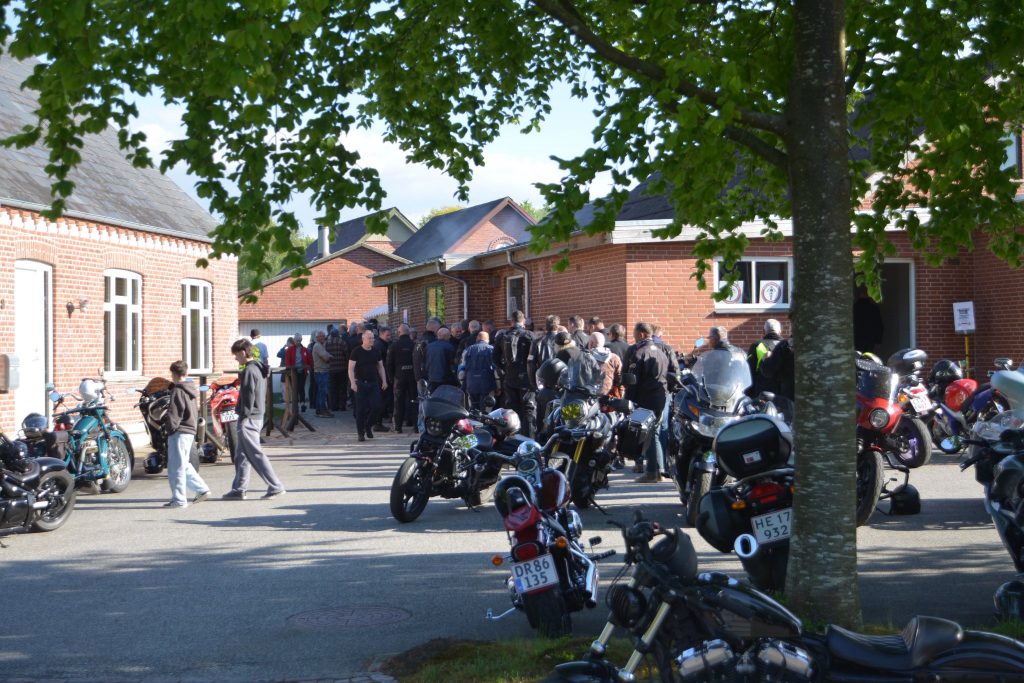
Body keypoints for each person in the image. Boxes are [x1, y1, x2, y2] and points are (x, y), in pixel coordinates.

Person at [224, 339, 286, 500]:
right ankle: (239, 488)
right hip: (255, 416)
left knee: (255, 453)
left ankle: (275, 486)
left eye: (236, 355)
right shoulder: (258, 368)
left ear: (243, 352)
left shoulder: (249, 371)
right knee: (241, 455)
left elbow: (248, 396)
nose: (235, 358)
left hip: (249, 418)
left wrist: (243, 415)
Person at [162, 360, 210, 508]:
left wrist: (169, 429)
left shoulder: (177, 390)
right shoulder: (190, 388)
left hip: (180, 431)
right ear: (186, 372)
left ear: (173, 374)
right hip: (189, 429)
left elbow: (175, 413)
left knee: (175, 467)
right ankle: (201, 489)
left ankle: (179, 500)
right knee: (183, 464)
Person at [626, 322, 670, 483]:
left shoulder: (639, 353)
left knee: (649, 435)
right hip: (660, 397)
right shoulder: (662, 351)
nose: (633, 336)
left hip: (646, 398)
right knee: (655, 433)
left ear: (642, 334)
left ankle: (652, 472)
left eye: (634, 333)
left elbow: (632, 380)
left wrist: (629, 400)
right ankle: (658, 470)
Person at [493, 310, 537, 438]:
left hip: (510, 378)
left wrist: (505, 369)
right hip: (527, 379)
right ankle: (529, 439)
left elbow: (495, 358)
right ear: (523, 321)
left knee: (512, 410)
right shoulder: (530, 335)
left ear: (511, 321)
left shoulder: (503, 336)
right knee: (528, 409)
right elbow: (536, 357)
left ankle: (513, 438)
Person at [349, 330, 387, 442]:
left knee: (377, 407)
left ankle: (368, 425)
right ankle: (360, 433)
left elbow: (380, 367)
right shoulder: (356, 351)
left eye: (373, 338)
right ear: (363, 339)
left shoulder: (376, 351)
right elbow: (350, 368)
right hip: (360, 383)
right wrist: (352, 382)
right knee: (360, 409)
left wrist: (384, 381)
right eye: (369, 338)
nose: (372, 340)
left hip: (373, 383)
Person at [387, 323, 417, 433]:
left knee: (398, 402)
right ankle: (416, 426)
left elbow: (389, 364)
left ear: (399, 332)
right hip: (413, 377)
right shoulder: (414, 345)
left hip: (399, 377)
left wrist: (391, 378)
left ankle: (398, 427)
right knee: (414, 401)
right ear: (409, 333)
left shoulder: (394, 346)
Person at [747, 319, 784, 397]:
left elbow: (749, 370)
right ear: (780, 331)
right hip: (782, 393)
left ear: (763, 331)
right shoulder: (785, 346)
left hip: (761, 393)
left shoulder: (757, 345)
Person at [461, 330, 497, 410]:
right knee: (486, 407)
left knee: (473, 407)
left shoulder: (468, 350)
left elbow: (462, 367)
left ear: (477, 338)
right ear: (488, 339)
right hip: (487, 382)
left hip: (471, 383)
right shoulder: (491, 349)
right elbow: (495, 367)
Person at [589, 331, 623, 398]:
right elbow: (620, 378)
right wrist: (620, 394)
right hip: (609, 396)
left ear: (591, 343)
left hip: (590, 396)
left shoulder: (586, 358)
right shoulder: (614, 358)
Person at [284, 333, 312, 412]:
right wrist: (289, 368)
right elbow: (287, 361)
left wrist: (310, 367)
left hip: (302, 371)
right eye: (297, 340)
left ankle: (302, 404)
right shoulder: (290, 349)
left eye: (300, 340)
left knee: (301, 388)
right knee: (294, 389)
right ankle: (295, 406)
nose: (298, 342)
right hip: (293, 372)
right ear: (294, 340)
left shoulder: (305, 350)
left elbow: (309, 360)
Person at [853, 286, 884, 354]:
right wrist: (878, 341)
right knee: (868, 357)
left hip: (857, 338)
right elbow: (878, 325)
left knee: (857, 357)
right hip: (870, 339)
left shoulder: (854, 308)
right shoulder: (873, 308)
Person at [373, 326, 393, 432]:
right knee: (382, 400)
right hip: (381, 377)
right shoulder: (379, 345)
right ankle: (377, 423)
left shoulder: (383, 344)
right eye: (387, 335)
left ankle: (377, 422)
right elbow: (379, 364)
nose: (389, 337)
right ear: (381, 334)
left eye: (390, 335)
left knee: (383, 400)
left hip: (383, 376)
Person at [325, 325, 349, 412]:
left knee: (333, 388)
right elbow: (347, 355)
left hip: (331, 369)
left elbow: (325, 355)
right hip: (342, 368)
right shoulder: (342, 342)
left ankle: (333, 406)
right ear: (338, 334)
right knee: (342, 388)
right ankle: (342, 406)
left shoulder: (327, 343)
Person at [311, 329, 333, 417]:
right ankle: (322, 410)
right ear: (317, 337)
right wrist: (329, 357)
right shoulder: (318, 346)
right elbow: (326, 358)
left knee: (321, 392)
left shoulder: (321, 345)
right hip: (321, 372)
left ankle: (319, 410)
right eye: (321, 336)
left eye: (324, 336)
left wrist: (328, 356)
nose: (323, 337)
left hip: (321, 372)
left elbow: (328, 355)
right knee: (322, 392)